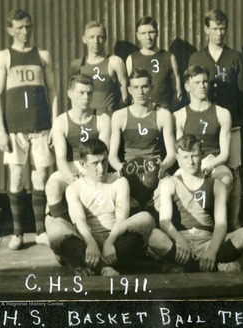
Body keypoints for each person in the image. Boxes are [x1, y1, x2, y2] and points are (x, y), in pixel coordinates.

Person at [0, 8, 57, 250]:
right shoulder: (4, 57)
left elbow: (54, 92)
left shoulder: (43, 55)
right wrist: (0, 131)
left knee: (40, 175)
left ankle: (40, 231)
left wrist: (55, 125)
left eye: (28, 26)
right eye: (19, 27)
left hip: (41, 127)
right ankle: (18, 233)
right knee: (17, 177)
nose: (24, 31)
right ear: (11, 30)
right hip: (14, 129)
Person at [47, 138, 155, 276]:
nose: (101, 168)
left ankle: (89, 266)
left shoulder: (119, 182)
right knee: (54, 227)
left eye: (104, 161)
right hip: (86, 242)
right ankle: (104, 268)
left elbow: (121, 219)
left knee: (146, 219)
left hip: (115, 241)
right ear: (83, 164)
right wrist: (91, 244)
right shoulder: (74, 188)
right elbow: (79, 220)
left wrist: (110, 242)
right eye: (95, 163)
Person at [148, 134, 243, 273]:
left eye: (194, 156)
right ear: (178, 159)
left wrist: (211, 250)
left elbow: (221, 224)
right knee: (154, 236)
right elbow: (165, 221)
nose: (191, 162)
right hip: (181, 241)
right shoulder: (170, 183)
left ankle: (188, 265)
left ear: (202, 155)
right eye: (185, 157)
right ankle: (212, 266)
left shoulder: (216, 185)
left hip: (208, 241)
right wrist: (179, 240)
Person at [188, 9, 243, 231]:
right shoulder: (197, 57)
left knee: (232, 170)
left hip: (229, 125)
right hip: (202, 124)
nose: (219, 33)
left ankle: (233, 221)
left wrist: (236, 121)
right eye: (214, 28)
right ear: (206, 30)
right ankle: (203, 221)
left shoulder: (235, 57)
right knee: (198, 170)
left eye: (222, 28)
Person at [109, 68, 176, 214]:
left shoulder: (163, 115)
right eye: (136, 87)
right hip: (129, 172)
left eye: (145, 86)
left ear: (151, 88)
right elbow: (112, 154)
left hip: (155, 172)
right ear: (129, 89)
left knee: (170, 188)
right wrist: (120, 168)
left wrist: (163, 166)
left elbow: (172, 153)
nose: (140, 92)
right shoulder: (119, 116)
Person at [45, 73, 110, 222]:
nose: (86, 97)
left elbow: (102, 155)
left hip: (95, 166)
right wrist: (70, 177)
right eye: (81, 93)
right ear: (70, 94)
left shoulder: (102, 119)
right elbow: (60, 159)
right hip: (71, 168)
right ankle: (67, 226)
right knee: (52, 187)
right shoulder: (61, 121)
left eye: (89, 93)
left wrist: (88, 177)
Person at [174, 65, 233, 193]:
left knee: (224, 180)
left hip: (215, 165)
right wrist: (196, 166)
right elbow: (181, 152)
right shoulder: (179, 116)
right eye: (197, 82)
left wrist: (210, 164)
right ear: (187, 87)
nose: (202, 86)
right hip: (191, 165)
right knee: (174, 182)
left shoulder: (222, 113)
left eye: (205, 81)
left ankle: (220, 213)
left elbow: (224, 154)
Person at [69, 21, 128, 115]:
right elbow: (72, 98)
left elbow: (125, 96)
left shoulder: (114, 62)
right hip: (85, 120)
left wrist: (112, 114)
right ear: (84, 39)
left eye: (100, 37)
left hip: (108, 120)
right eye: (91, 37)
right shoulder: (76, 65)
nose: (96, 42)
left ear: (105, 38)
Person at [126, 16, 182, 112]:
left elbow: (178, 92)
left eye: (151, 32)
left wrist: (168, 113)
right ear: (138, 36)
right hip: (141, 113)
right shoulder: (131, 59)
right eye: (143, 33)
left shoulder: (169, 57)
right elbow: (130, 92)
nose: (148, 37)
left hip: (164, 112)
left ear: (157, 33)